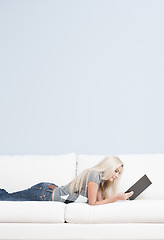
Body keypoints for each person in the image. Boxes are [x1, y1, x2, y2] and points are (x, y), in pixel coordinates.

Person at [0, 155, 133, 205]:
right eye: (116, 171)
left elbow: (99, 203)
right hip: (44, 193)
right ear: (109, 167)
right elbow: (93, 203)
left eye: (119, 173)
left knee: (6, 196)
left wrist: (119, 197)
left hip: (47, 190)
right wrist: (116, 198)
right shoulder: (94, 175)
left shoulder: (100, 181)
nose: (116, 176)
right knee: (6, 198)